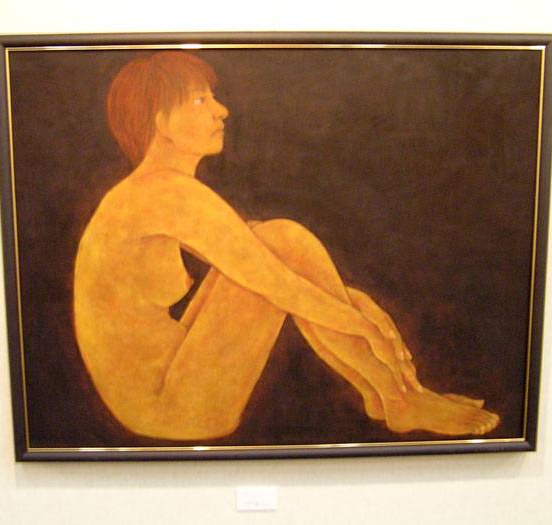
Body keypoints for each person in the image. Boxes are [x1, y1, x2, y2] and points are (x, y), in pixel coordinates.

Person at [73, 51, 500, 440]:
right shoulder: (165, 194)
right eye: (201, 100)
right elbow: (281, 285)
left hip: (171, 391)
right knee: (283, 241)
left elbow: (266, 262)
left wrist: (352, 303)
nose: (222, 110)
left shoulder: (151, 194)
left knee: (278, 240)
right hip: (176, 409)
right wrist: (363, 324)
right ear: (162, 121)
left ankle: (398, 397)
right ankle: (400, 398)